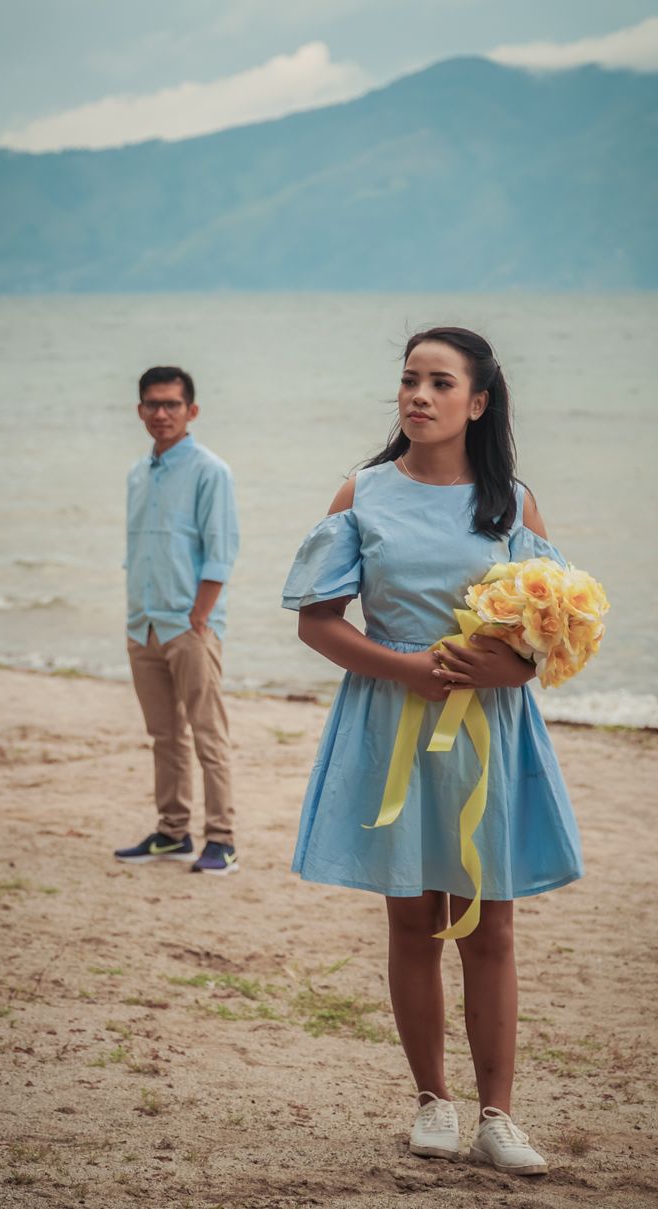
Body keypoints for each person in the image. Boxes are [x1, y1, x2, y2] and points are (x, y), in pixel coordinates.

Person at [282, 327, 584, 1176]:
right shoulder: (364, 492)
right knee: (412, 919)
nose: (418, 395)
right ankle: (432, 1100)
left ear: (477, 402)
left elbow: (550, 636)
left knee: (491, 923)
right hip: (392, 722)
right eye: (409, 380)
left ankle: (499, 1115)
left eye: (439, 382)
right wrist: (406, 668)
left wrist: (512, 664)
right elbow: (318, 620)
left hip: (489, 731)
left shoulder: (512, 503)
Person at [115, 365, 240, 875]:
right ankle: (172, 831)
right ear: (140, 410)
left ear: (192, 411)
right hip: (142, 625)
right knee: (164, 736)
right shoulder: (137, 474)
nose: (160, 413)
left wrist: (200, 616)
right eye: (152, 404)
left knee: (208, 734)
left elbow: (221, 551)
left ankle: (222, 840)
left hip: (191, 627)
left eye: (171, 404)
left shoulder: (212, 471)